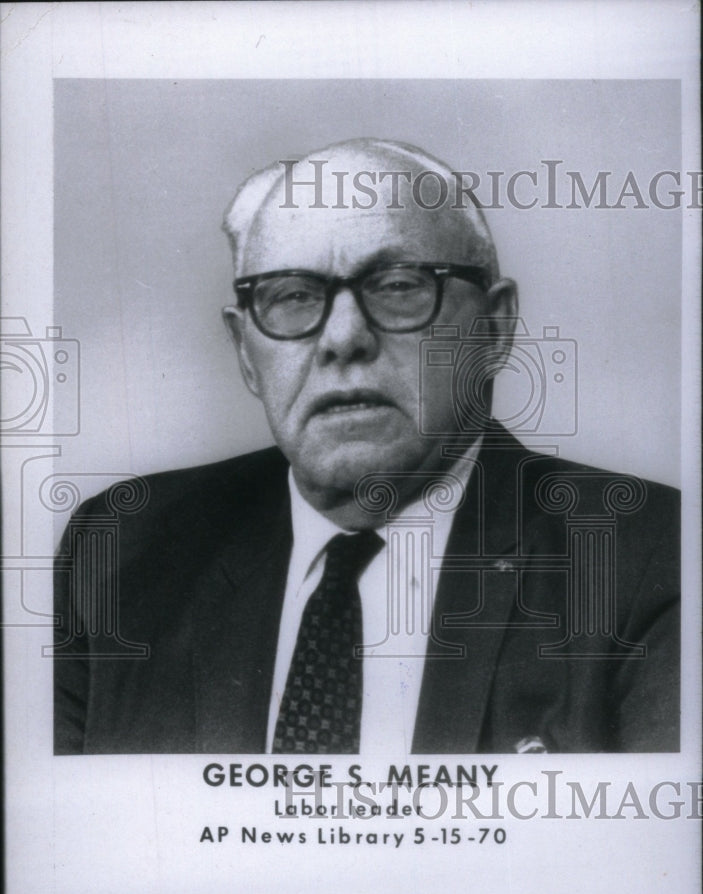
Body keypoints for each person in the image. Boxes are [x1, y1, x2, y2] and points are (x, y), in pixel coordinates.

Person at [54, 138, 680, 755]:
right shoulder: (121, 551)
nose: (343, 337)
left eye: (398, 285)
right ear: (246, 352)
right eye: (293, 296)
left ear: (493, 327)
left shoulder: (653, 560)